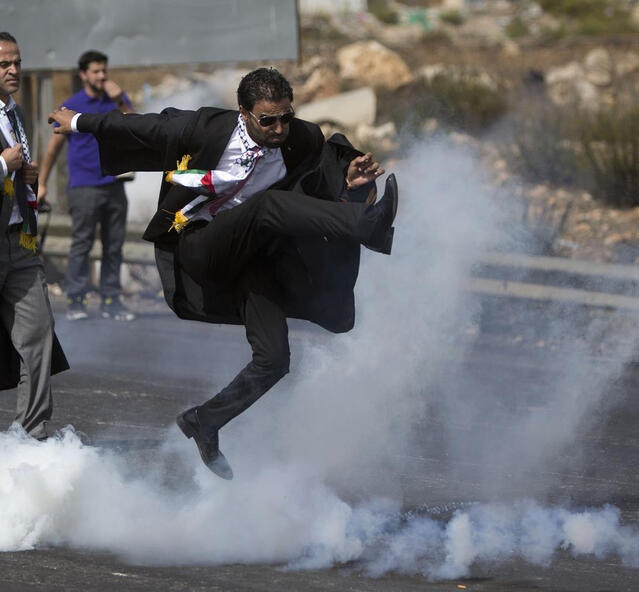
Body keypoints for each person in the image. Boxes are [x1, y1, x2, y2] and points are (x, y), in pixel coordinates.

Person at [48, 67, 398, 479]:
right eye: (268, 120)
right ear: (244, 113)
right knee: (267, 208)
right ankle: (367, 227)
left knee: (274, 359)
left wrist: (351, 188)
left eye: (285, 117)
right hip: (200, 244)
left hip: (251, 255)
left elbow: (320, 186)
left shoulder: (300, 138)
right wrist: (79, 121)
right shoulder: (207, 127)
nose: (279, 128)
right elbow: (149, 127)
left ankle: (206, 421)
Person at [0, 32, 69, 439]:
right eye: (4, 64)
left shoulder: (16, 113)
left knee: (38, 332)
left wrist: (26, 177)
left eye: (17, 63)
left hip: (20, 240)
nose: (13, 70)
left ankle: (30, 437)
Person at [38, 50, 135, 321]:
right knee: (81, 243)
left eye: (104, 70)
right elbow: (53, 148)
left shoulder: (116, 100)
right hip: (84, 186)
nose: (102, 75)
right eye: (95, 71)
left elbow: (137, 128)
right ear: (83, 74)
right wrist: (42, 183)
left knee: (114, 245)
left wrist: (119, 100)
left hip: (114, 184)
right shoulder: (71, 105)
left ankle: (110, 299)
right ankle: (77, 299)